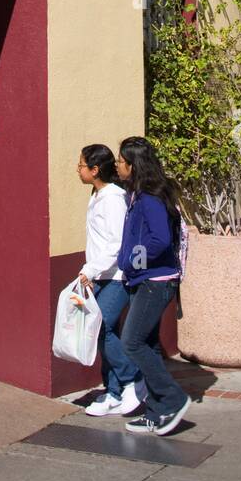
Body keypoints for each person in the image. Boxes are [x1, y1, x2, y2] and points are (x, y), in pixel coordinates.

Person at [116, 137, 191, 437]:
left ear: (133, 166)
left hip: (154, 282)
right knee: (145, 344)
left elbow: (159, 240)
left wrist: (133, 262)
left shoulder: (149, 198)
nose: (118, 166)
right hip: (143, 280)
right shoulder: (137, 196)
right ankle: (156, 411)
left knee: (131, 342)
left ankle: (173, 398)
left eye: (121, 161)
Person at [74, 144, 146, 418]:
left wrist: (89, 270)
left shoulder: (113, 198)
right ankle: (113, 392)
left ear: (94, 170)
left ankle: (132, 379)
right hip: (101, 275)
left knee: (101, 325)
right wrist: (91, 272)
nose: (77, 170)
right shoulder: (98, 194)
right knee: (106, 330)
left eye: (81, 165)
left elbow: (116, 244)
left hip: (117, 276)